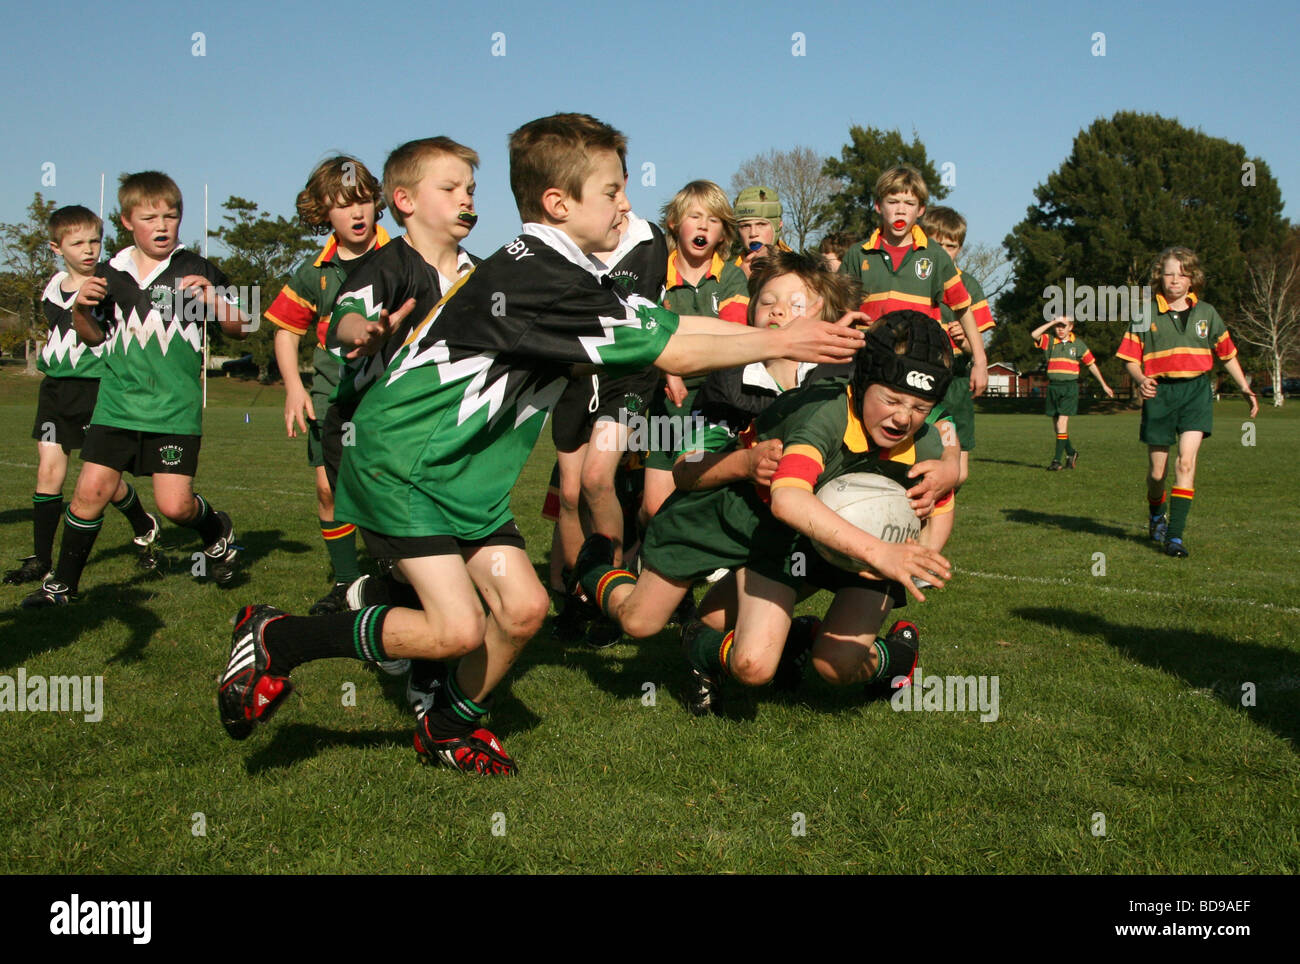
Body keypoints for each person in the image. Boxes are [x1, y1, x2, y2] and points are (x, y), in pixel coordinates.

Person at [215, 113, 864, 775]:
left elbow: (669, 327)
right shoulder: (535, 282)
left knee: (523, 609)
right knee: (457, 627)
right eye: (611, 190)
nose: (626, 203)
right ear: (559, 203)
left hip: (460, 479)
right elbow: (675, 346)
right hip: (403, 465)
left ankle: (447, 725)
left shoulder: (565, 274)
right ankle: (279, 637)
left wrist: (786, 340)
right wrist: (785, 340)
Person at [573, 311, 957, 715]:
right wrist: (881, 554)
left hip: (803, 538)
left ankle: (891, 658)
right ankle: (596, 563)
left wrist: (916, 556)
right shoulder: (824, 414)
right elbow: (787, 499)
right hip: (747, 515)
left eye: (919, 406)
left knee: (829, 665)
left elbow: (945, 499)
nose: (902, 416)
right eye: (892, 400)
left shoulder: (924, 442)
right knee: (639, 622)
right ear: (861, 383)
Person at [22, 172, 249, 608]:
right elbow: (90, 336)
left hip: (174, 410)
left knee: (175, 507)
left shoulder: (195, 268)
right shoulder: (109, 275)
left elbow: (244, 327)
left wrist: (217, 301)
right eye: (150, 217)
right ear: (127, 221)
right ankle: (62, 586)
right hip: (116, 405)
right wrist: (83, 308)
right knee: (90, 491)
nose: (163, 225)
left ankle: (216, 531)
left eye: (172, 215)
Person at [4, 205, 158, 587]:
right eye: (78, 243)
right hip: (56, 391)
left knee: (100, 479)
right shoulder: (53, 287)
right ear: (56, 248)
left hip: (98, 389)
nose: (89, 249)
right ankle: (41, 560)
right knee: (49, 469)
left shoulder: (110, 283)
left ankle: (142, 522)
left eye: (95, 241)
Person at [265, 156, 389, 615]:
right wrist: (295, 388)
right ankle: (345, 583)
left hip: (385, 400)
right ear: (323, 213)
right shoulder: (312, 271)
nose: (356, 213)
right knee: (327, 491)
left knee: (381, 490)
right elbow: (285, 331)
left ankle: (395, 577)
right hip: (329, 400)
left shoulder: (402, 258)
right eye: (342, 205)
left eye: (362, 201)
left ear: (377, 203)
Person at [547, 207, 668, 645]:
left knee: (600, 479)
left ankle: (610, 591)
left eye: (618, 183)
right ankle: (572, 598)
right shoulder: (560, 239)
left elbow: (658, 315)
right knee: (572, 493)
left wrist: (670, 365)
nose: (613, 197)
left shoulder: (649, 239)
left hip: (629, 377)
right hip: (575, 376)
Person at [1116, 246, 1257, 556]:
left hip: (1196, 392)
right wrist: (1141, 380)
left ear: (1193, 278)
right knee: (1157, 473)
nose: (1175, 279)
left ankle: (1175, 537)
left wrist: (1245, 387)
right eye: (1168, 273)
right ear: (1159, 277)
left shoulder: (1207, 313)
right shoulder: (1144, 313)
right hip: (1160, 395)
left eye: (1182, 273)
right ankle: (1156, 515)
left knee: (1186, 462)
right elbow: (1129, 358)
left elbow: (1227, 354)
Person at [838, 166, 988, 397]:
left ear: (921, 210)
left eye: (909, 203)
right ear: (878, 206)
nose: (900, 210)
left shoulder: (935, 255)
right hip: (868, 365)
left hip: (919, 366)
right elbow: (839, 314)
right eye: (893, 201)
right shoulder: (858, 255)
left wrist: (980, 362)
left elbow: (962, 308)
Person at [1029, 315, 1113, 470]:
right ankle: (1071, 453)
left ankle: (1056, 461)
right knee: (1057, 427)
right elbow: (1034, 335)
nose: (1060, 329)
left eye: (1063, 326)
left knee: (1062, 423)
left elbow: (1092, 365)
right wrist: (1053, 321)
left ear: (1071, 327)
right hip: (1054, 387)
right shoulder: (1050, 341)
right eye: (1058, 326)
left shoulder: (1078, 345)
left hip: (1069, 388)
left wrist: (1103, 384)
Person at [731, 185, 794, 279]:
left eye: (761, 225)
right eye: (745, 226)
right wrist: (738, 282)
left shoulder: (799, 269)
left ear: (779, 225)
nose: (753, 233)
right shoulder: (726, 274)